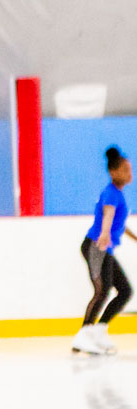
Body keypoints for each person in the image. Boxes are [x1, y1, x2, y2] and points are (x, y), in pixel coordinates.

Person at [74, 145, 136, 355]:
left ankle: (98, 332)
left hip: (104, 247)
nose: (130, 174)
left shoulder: (118, 194)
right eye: (126, 170)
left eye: (131, 169)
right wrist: (104, 233)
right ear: (113, 172)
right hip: (96, 245)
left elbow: (119, 223)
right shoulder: (110, 193)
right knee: (102, 291)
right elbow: (108, 215)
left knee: (125, 291)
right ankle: (83, 335)